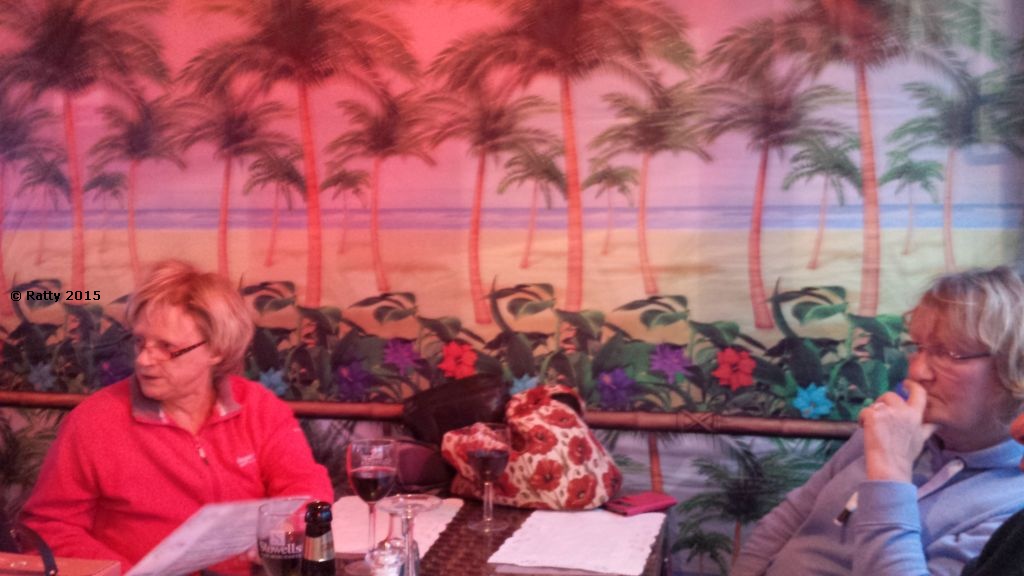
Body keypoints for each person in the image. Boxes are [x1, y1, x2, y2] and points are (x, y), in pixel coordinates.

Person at [20, 260, 333, 573]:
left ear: (217, 350)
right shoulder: (94, 421)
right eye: (140, 342)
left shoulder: (259, 408)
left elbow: (306, 488)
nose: (144, 360)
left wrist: (287, 528)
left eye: (167, 347)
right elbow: (48, 529)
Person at [732, 266, 1024, 576]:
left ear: (1015, 368)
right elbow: (793, 515)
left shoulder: (1012, 506)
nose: (917, 371)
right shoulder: (892, 425)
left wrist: (890, 474)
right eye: (918, 348)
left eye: (949, 353)